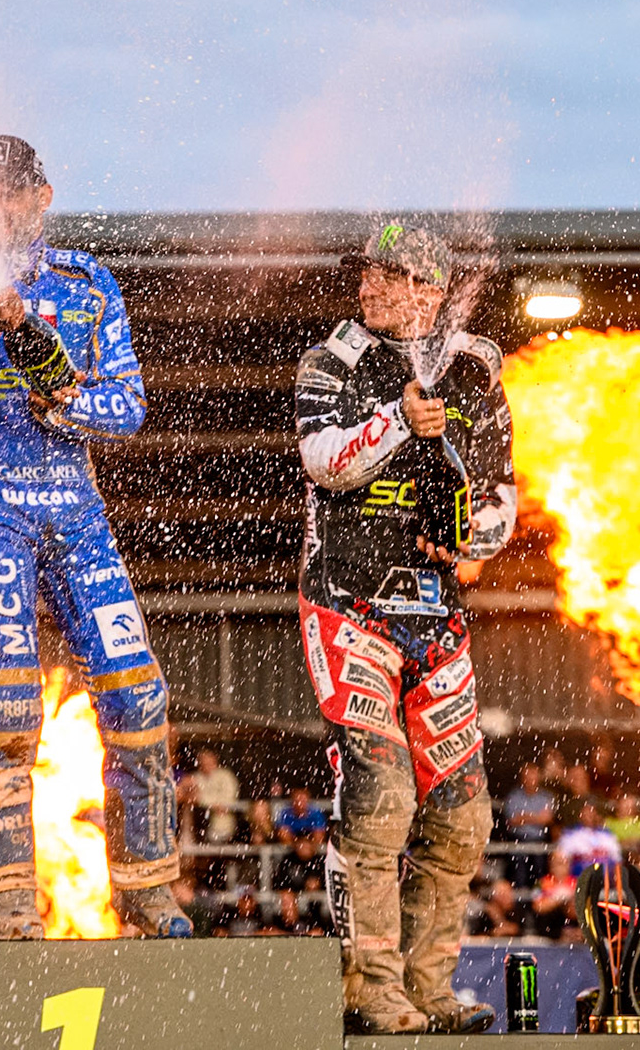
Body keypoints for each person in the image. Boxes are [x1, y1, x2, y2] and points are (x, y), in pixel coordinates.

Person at [0, 135, 186, 939]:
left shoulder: (91, 282)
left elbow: (129, 405)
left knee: (137, 693)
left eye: (10, 193)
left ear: (42, 196)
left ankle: (146, 887)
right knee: (8, 706)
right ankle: (5, 900)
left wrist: (64, 397)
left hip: (75, 508)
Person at [294, 220, 517, 1033]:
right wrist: (398, 420)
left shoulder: (475, 366)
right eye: (363, 276)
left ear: (429, 289)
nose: (366, 289)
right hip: (347, 606)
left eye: (384, 277)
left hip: (437, 618)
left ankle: (429, 987)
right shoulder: (330, 361)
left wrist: (470, 533)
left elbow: (502, 497)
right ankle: (369, 984)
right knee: (382, 793)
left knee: (463, 812)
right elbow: (324, 461)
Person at [503, 762, 557, 885]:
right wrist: (537, 817)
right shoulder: (513, 796)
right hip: (518, 840)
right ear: (522, 777)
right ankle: (520, 900)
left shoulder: (547, 797)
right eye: (527, 775)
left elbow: (547, 819)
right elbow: (513, 820)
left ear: (538, 777)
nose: (530, 779)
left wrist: (524, 816)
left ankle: (538, 898)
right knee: (518, 869)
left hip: (539, 840)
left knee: (540, 869)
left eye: (533, 775)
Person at [555, 801, 624, 876]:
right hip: (580, 874)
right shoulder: (570, 834)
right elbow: (562, 858)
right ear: (580, 814)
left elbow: (617, 857)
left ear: (596, 814)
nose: (589, 815)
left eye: (591, 812)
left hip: (606, 875)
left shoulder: (607, 834)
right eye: (586, 813)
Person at [188, 749, 241, 845]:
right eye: (203, 762)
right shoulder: (196, 777)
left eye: (208, 761)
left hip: (224, 825)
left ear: (215, 760)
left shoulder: (226, 776)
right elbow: (191, 796)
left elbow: (228, 800)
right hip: (200, 825)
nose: (206, 765)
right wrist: (212, 803)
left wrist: (204, 800)